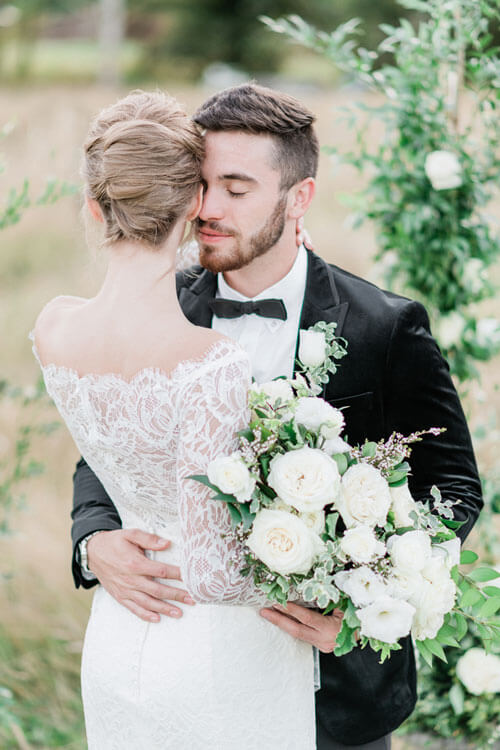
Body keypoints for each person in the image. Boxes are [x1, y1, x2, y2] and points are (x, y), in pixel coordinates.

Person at [70, 84, 483, 750]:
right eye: (201, 185)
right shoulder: (159, 305)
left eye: (237, 188)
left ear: (300, 198)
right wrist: (94, 542)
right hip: (187, 669)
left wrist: (358, 605)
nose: (207, 209)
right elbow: (109, 446)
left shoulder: (383, 325)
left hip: (331, 690)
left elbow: (453, 487)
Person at [32, 90, 317, 749]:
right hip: (220, 653)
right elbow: (218, 574)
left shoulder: (53, 324)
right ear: (194, 206)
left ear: (94, 207)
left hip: (120, 623)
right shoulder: (212, 362)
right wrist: (320, 565)